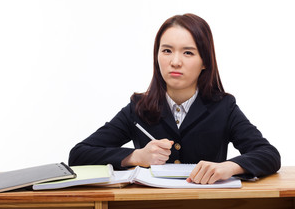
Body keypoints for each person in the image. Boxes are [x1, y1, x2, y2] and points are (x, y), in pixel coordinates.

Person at [68, 13, 281, 184]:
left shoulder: (223, 107)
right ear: (157, 56)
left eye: (188, 53)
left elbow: (268, 154)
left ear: (205, 61)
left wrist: (230, 166)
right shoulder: (138, 108)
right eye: (167, 51)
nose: (175, 61)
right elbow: (79, 155)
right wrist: (135, 157)